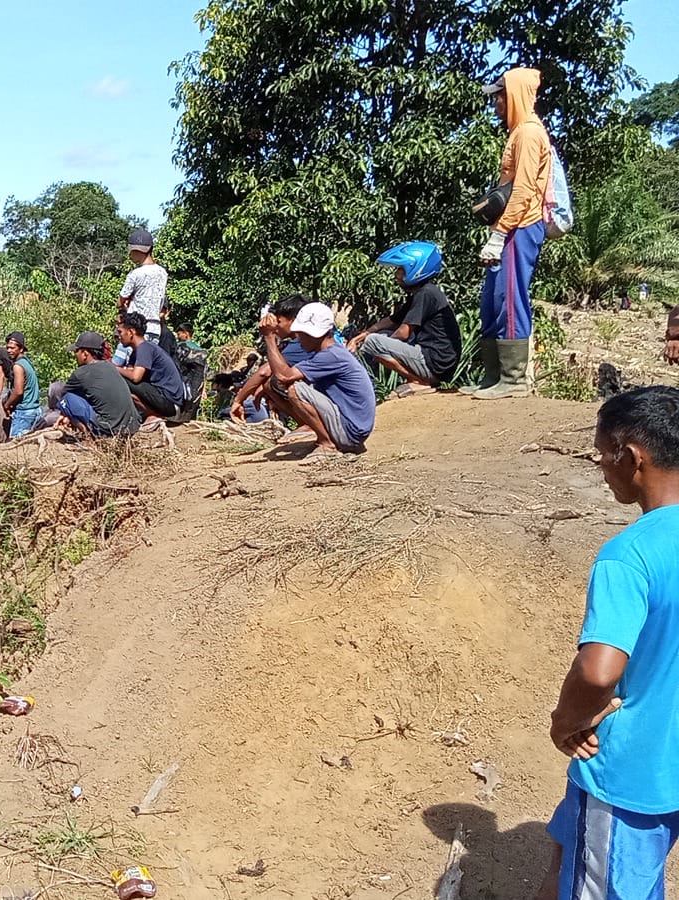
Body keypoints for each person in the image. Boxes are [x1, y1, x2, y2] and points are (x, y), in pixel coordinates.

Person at [539, 386, 679, 900]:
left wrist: (565, 721)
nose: (601, 466)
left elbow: (599, 670)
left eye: (603, 453)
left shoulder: (629, 556)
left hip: (631, 772)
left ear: (632, 457)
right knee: (565, 858)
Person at [475, 67, 552, 400]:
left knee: (509, 298)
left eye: (499, 96)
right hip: (510, 227)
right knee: (492, 299)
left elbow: (522, 191)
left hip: (520, 227)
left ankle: (514, 379)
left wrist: (499, 233)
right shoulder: (518, 132)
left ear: (515, 95)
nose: (496, 103)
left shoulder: (529, 134)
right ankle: (494, 377)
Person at [260, 302, 376, 460]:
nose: (299, 339)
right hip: (354, 429)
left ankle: (327, 444)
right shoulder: (331, 352)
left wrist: (269, 338)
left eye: (303, 334)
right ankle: (327, 438)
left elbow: (284, 376)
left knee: (295, 389)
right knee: (298, 385)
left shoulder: (331, 356)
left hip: (350, 431)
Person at [353, 241, 463, 397]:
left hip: (434, 363)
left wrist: (378, 345)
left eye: (401, 269)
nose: (396, 274)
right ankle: (419, 380)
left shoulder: (426, 294)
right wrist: (365, 333)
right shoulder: (423, 292)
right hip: (437, 362)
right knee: (376, 338)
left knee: (373, 343)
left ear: (415, 268)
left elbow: (403, 332)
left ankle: (419, 382)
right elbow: (393, 321)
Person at [229, 294, 312, 428]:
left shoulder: (301, 342)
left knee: (274, 382)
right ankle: (306, 424)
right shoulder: (301, 341)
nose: (276, 327)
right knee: (269, 384)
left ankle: (308, 425)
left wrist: (239, 400)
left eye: (278, 322)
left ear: (294, 320)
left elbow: (265, 371)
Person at [54, 331, 141, 437]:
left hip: (110, 428)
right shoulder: (111, 367)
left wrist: (66, 414)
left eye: (77, 351)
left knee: (66, 399)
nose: (75, 354)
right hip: (132, 426)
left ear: (85, 354)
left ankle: (87, 436)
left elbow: (66, 398)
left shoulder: (80, 373)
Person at [115, 312, 188, 420]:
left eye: (120, 332)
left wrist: (114, 368)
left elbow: (135, 377)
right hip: (162, 398)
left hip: (170, 402)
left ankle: (153, 416)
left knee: (122, 382)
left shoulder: (145, 348)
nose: (118, 335)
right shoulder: (136, 351)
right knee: (121, 382)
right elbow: (129, 372)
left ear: (131, 332)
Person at [118, 227, 169, 345]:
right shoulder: (163, 273)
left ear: (136, 251)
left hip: (135, 330)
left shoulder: (135, 274)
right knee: (147, 362)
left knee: (122, 362)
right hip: (155, 328)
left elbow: (119, 302)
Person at [4, 331, 42, 437]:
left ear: (21, 349)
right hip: (35, 410)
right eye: (7, 348)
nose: (9, 350)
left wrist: (6, 405)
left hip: (25, 412)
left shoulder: (18, 366)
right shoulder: (27, 362)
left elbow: (18, 391)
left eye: (12, 348)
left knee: (16, 445)